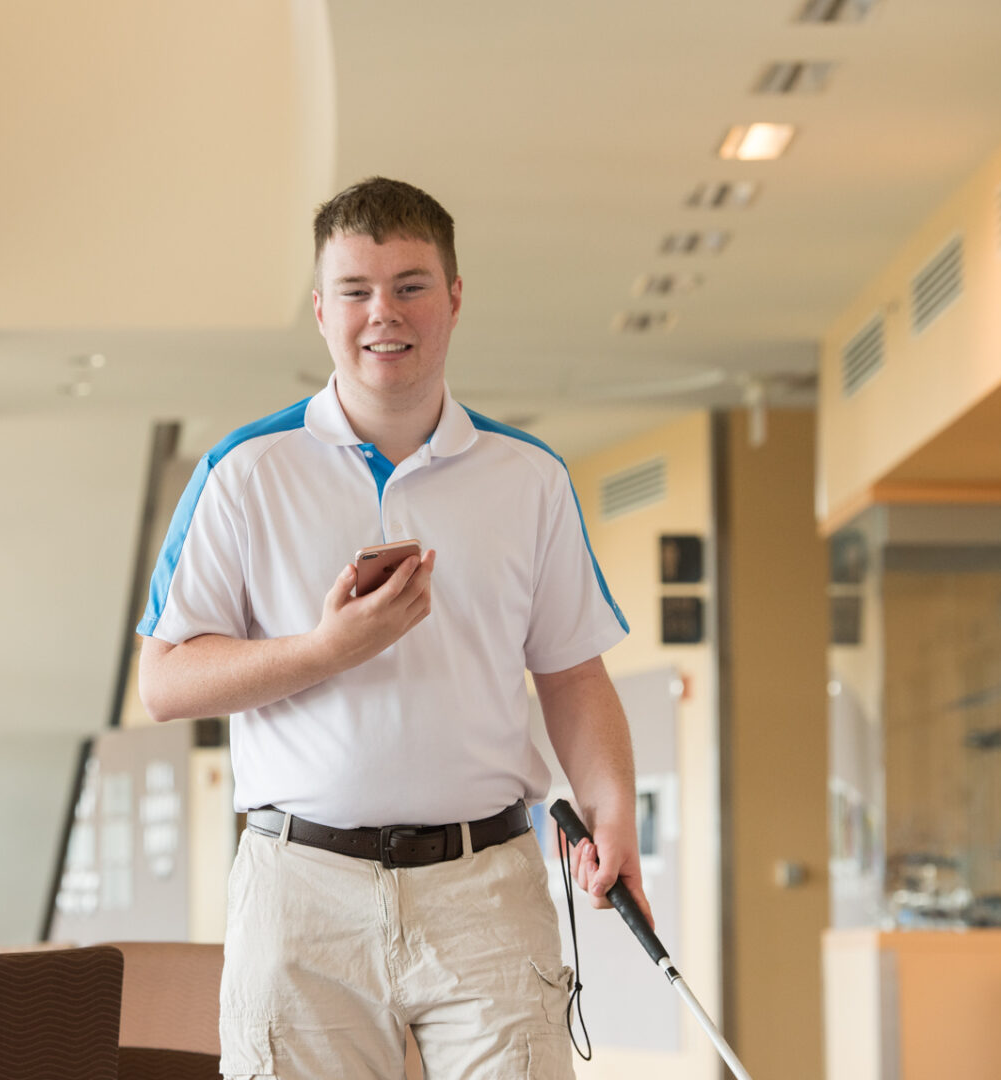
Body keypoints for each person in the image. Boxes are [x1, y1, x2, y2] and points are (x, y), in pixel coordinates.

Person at [135, 177, 649, 1079]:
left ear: (454, 298)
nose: (385, 313)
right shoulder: (243, 473)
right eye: (356, 290)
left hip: (487, 886)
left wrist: (614, 815)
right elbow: (165, 682)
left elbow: (573, 678)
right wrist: (327, 650)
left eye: (411, 285)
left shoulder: (528, 479)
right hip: (300, 891)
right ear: (321, 311)